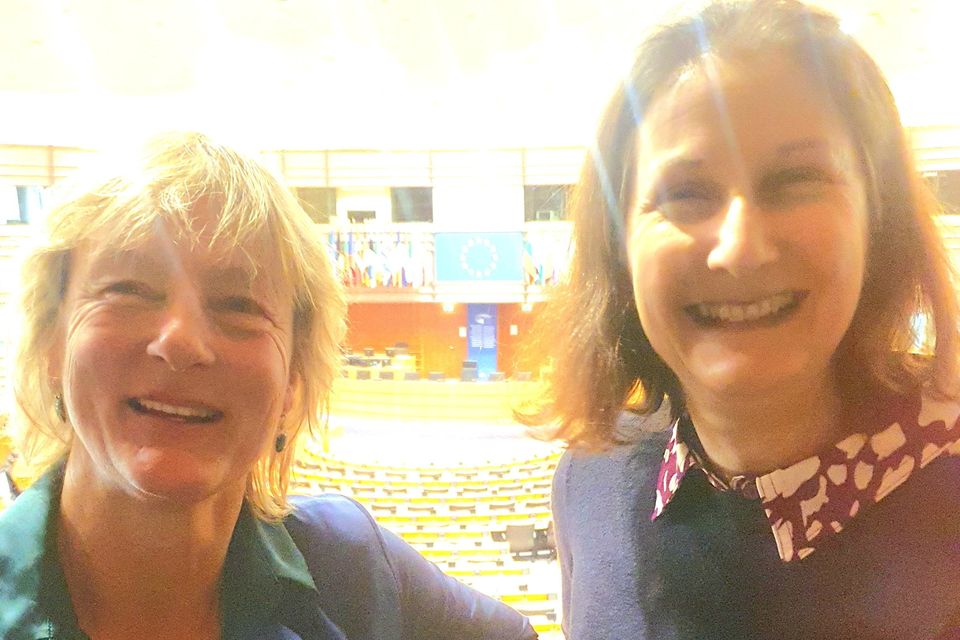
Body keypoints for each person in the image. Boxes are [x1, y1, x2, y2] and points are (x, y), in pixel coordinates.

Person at [0, 132, 538, 640]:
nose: (182, 342)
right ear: (51, 341)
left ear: (293, 384)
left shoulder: (354, 569)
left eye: (239, 305)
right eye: (128, 289)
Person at [531, 1, 960, 638]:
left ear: (878, 220)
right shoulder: (591, 481)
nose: (739, 248)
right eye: (684, 192)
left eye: (795, 178)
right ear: (619, 249)